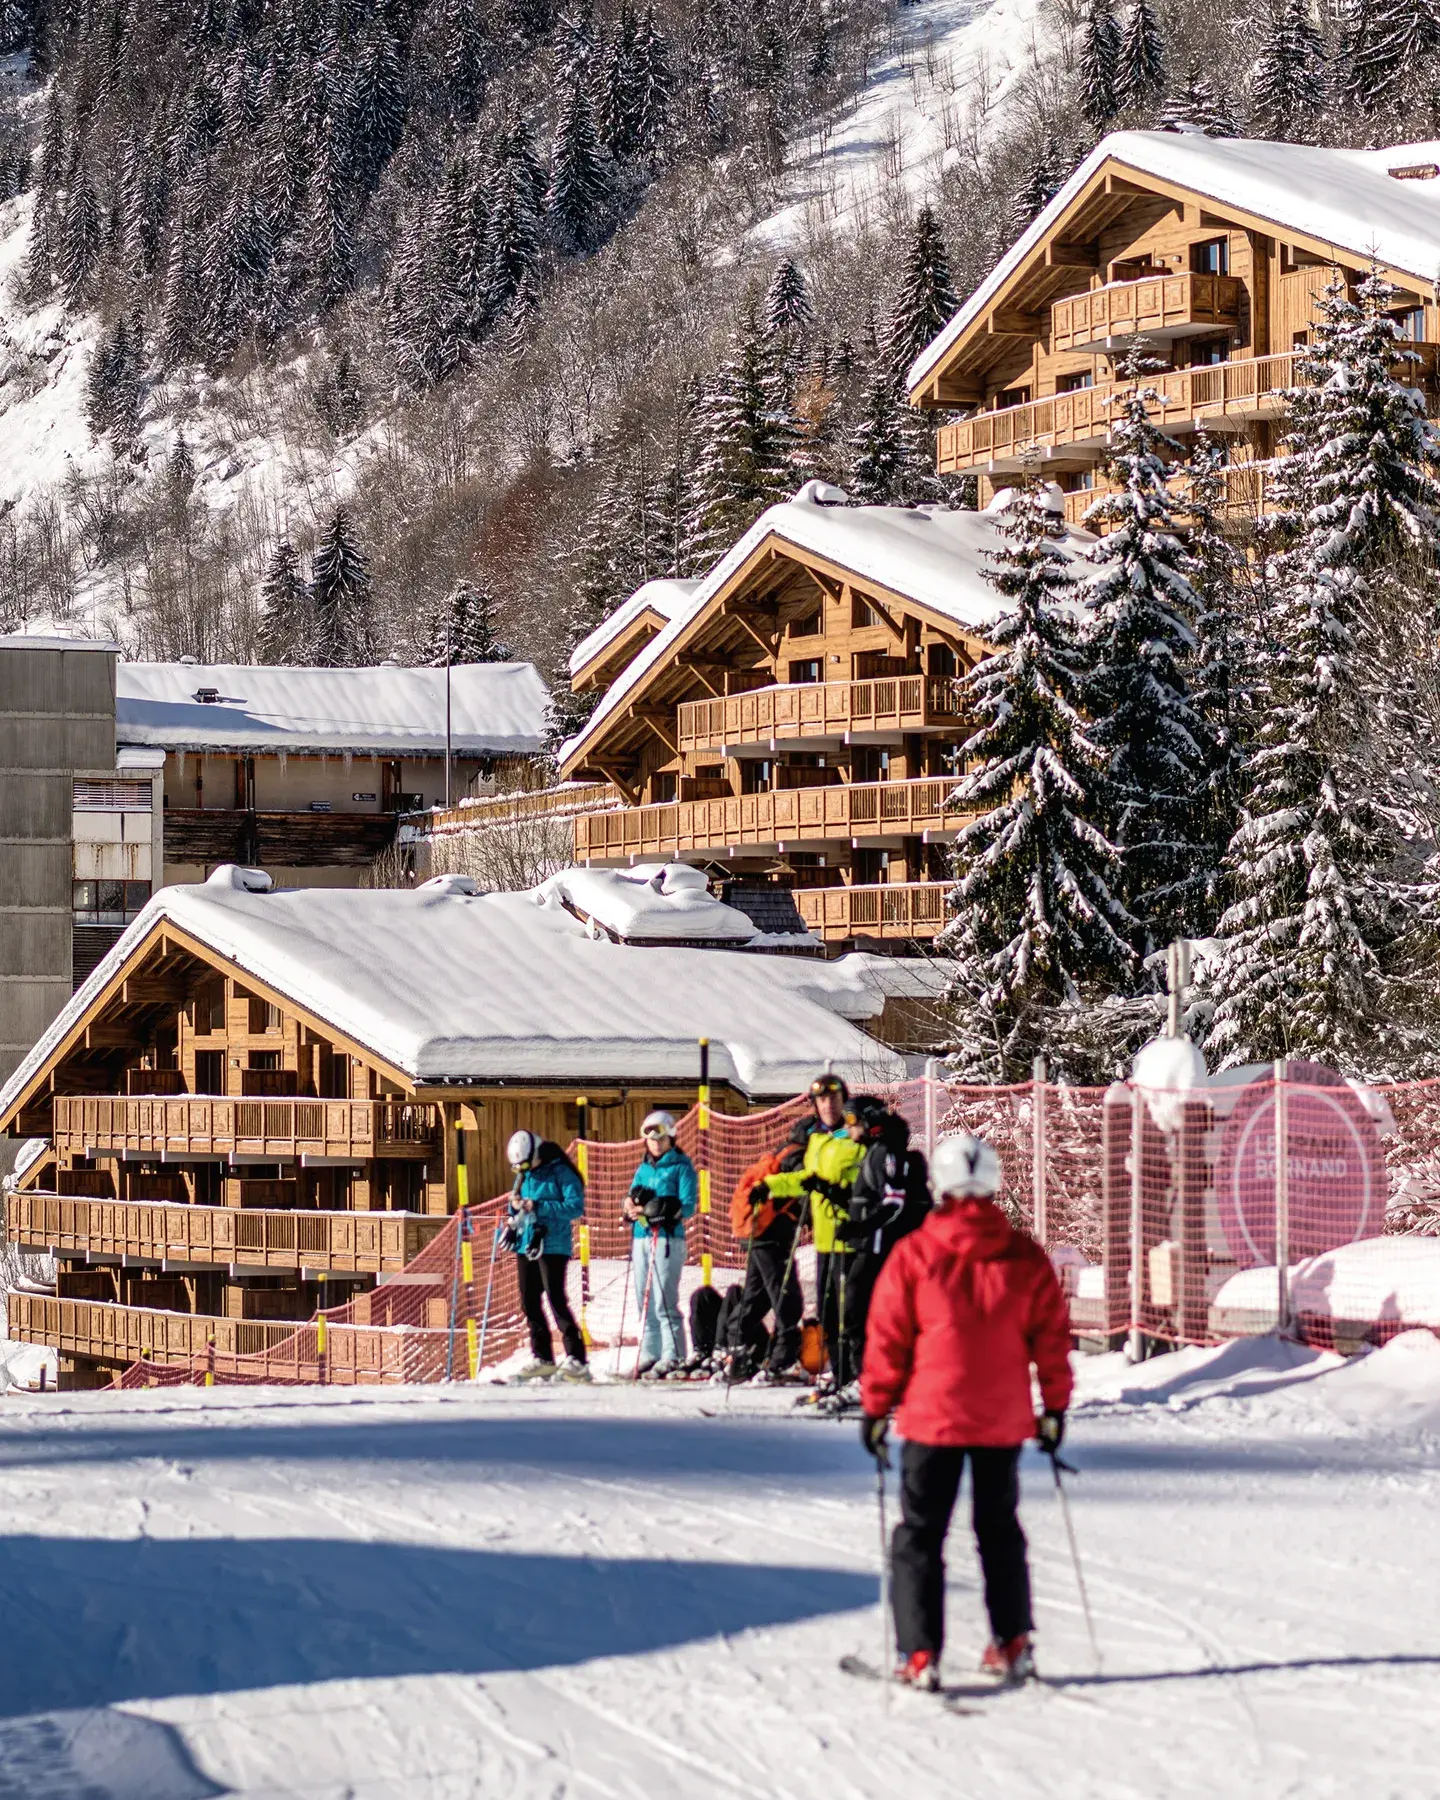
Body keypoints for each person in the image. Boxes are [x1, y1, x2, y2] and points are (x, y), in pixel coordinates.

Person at [860, 1131, 1072, 1691]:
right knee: (999, 1529)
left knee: (920, 1534)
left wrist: (876, 1407)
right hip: (1001, 1421)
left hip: (932, 1419)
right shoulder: (1024, 1255)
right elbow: (1052, 1338)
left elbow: (888, 1336)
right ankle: (1013, 1641)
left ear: (941, 1184)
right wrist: (1054, 1407)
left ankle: (920, 1653)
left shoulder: (916, 1253)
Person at [825, 1094, 929, 1410]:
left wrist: (861, 1228)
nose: (847, 1127)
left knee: (859, 1312)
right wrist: (841, 1198)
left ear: (869, 1120)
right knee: (859, 1312)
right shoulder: (876, 1150)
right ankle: (868, 1377)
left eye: (852, 1120)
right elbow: (871, 1197)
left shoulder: (885, 1151)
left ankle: (867, 1379)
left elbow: (893, 1202)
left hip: (877, 1249)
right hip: (870, 1245)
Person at [764, 1071, 864, 1390]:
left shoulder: (854, 1138)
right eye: (822, 1100)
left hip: (849, 1240)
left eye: (834, 1099)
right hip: (824, 1240)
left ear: (843, 1101)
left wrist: (834, 1189)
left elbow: (863, 1183)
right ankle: (839, 1375)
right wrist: (769, 1186)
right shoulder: (818, 1139)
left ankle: (856, 1376)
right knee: (826, 1311)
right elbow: (807, 1179)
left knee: (849, 1313)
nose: (828, 1106)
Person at [505, 1129, 590, 1384]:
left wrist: (539, 1206)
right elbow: (516, 1204)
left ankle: (576, 1356)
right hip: (527, 1243)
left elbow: (574, 1207)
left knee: (555, 1299)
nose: (523, 1170)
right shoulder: (525, 1174)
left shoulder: (561, 1172)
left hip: (552, 1244)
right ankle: (542, 1357)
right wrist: (514, 1208)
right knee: (529, 1301)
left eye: (525, 1164)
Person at [625, 1110, 698, 1378]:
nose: (655, 1143)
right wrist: (629, 1205)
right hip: (642, 1237)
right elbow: (632, 1196)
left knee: (664, 1299)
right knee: (644, 1299)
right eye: (651, 1139)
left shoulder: (681, 1167)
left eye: (661, 1138)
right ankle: (650, 1352)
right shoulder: (643, 1168)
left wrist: (663, 1209)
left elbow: (688, 1205)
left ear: (671, 1138)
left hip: (667, 1239)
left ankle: (673, 1354)